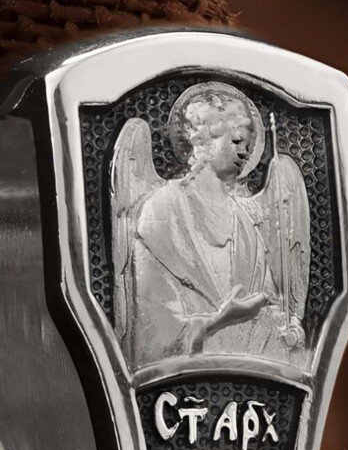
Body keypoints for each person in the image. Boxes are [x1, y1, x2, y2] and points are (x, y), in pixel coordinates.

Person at [111, 85, 308, 370]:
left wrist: (285, 327)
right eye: (236, 140)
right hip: (179, 379)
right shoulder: (161, 210)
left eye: (248, 144)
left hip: (246, 378)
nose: (244, 151)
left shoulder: (245, 226)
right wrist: (219, 320)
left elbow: (267, 302)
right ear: (203, 137)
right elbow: (149, 334)